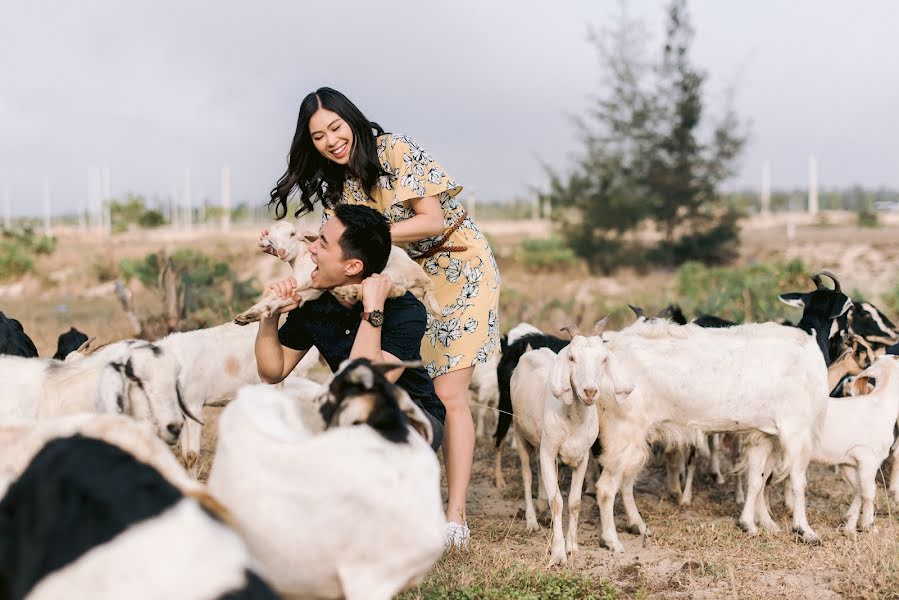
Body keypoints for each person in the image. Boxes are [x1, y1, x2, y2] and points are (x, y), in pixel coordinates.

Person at [267, 87, 501, 549]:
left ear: (352, 120)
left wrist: (368, 238)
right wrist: (291, 242)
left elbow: (431, 219)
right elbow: (343, 246)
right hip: (404, 275)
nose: (331, 141)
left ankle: (454, 518)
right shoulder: (341, 182)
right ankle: (407, 493)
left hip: (459, 266)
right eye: (318, 136)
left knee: (449, 390)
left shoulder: (394, 149)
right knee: (415, 382)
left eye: (336, 127)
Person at [255, 204, 445, 451]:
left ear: (353, 266)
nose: (310, 248)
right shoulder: (315, 303)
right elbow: (272, 372)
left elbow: (365, 382)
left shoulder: (404, 309)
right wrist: (270, 314)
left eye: (322, 243)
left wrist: (373, 309)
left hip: (414, 418)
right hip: (352, 415)